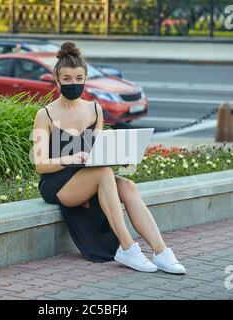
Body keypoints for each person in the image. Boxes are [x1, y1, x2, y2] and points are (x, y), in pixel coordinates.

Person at [32, 41, 186, 274]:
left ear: (85, 78)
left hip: (88, 175)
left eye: (78, 78)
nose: (74, 83)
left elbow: (98, 150)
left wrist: (120, 156)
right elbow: (40, 165)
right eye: (67, 79)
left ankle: (161, 252)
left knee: (128, 186)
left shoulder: (94, 109)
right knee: (104, 173)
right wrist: (72, 158)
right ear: (57, 80)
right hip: (57, 182)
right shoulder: (44, 114)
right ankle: (127, 247)